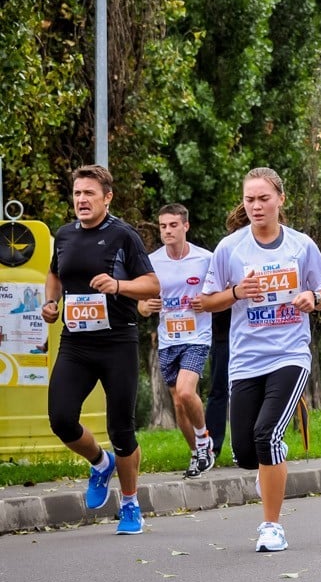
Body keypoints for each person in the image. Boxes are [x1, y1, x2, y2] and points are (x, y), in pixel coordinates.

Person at [201, 167, 321, 553]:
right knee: (245, 452)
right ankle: (270, 464)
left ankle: (271, 527)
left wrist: (313, 300)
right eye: (249, 199)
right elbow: (207, 301)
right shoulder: (231, 248)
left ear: (280, 200)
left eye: (263, 198)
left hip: (290, 354)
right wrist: (238, 291)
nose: (256, 206)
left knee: (266, 435)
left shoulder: (301, 245)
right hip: (246, 359)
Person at [41, 164, 160, 535]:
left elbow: (153, 285)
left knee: (122, 430)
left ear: (107, 197)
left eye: (89, 193)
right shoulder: (64, 236)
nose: (81, 200)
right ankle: (99, 462)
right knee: (61, 419)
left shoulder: (124, 235)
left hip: (117, 342)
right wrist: (50, 303)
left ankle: (129, 504)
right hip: (76, 342)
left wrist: (118, 286)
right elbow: (55, 273)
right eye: (77, 193)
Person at [137, 203, 215, 478]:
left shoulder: (206, 258)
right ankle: (196, 453)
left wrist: (207, 302)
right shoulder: (152, 261)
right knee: (179, 403)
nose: (167, 231)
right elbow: (141, 305)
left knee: (185, 391)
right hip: (168, 339)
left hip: (197, 336)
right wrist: (147, 307)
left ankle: (205, 440)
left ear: (186, 226)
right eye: (163, 226)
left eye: (173, 225)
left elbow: (223, 294)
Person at [205, 309, 231, 459]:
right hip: (222, 335)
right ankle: (212, 448)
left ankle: (259, 443)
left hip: (253, 335)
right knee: (218, 390)